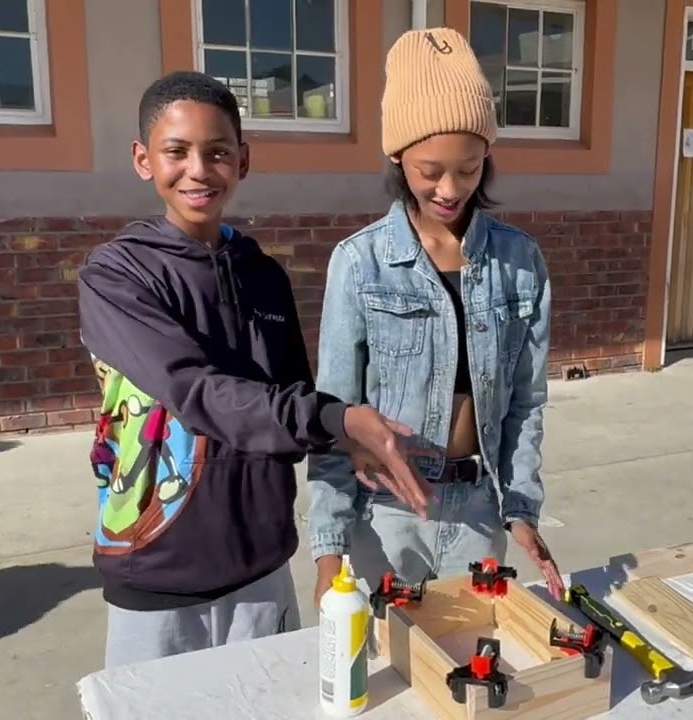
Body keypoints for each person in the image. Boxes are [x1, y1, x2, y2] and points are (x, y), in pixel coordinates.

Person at [76, 70, 431, 668]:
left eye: (217, 152)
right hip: (155, 565)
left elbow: (293, 400)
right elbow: (196, 391)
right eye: (176, 151)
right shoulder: (116, 275)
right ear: (143, 159)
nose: (198, 170)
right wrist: (339, 420)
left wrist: (351, 441)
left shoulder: (263, 275)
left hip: (261, 563)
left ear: (242, 160)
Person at [306, 28, 563, 606]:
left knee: (471, 651)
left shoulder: (519, 261)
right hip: (386, 513)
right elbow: (334, 413)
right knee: (383, 656)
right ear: (398, 158)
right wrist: (329, 548)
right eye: (430, 171)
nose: (450, 189)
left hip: (479, 512)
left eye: (469, 169)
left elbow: (526, 402)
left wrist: (521, 508)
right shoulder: (360, 262)